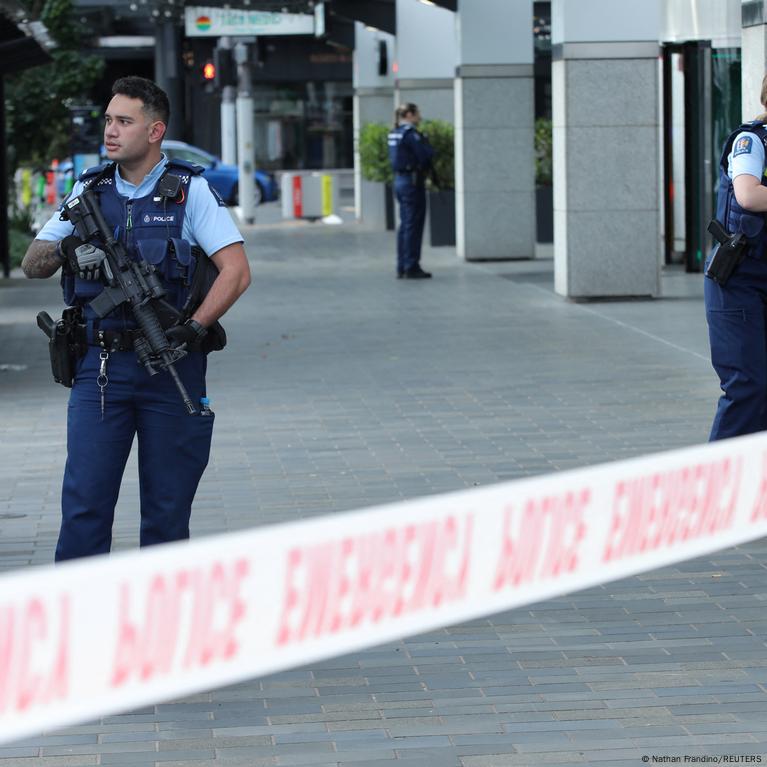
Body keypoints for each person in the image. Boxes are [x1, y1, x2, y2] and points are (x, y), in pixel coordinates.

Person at [21, 76, 251, 561]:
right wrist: (69, 247)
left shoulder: (190, 192)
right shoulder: (89, 190)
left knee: (167, 512)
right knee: (85, 506)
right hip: (100, 370)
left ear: (154, 130)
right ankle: (78, 624)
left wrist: (193, 328)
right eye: (108, 119)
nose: (110, 130)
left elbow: (236, 273)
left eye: (124, 121)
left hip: (171, 364)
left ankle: (159, 630)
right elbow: (32, 264)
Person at [705, 74, 767, 441]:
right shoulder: (751, 141)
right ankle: (717, 488)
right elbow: (748, 195)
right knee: (748, 388)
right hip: (739, 280)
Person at [388, 103, 434, 279]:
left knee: (405, 225)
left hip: (400, 180)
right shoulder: (410, 134)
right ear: (409, 114)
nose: (419, 117)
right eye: (417, 113)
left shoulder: (395, 133)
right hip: (412, 182)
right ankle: (411, 265)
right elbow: (425, 155)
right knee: (413, 225)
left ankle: (403, 265)